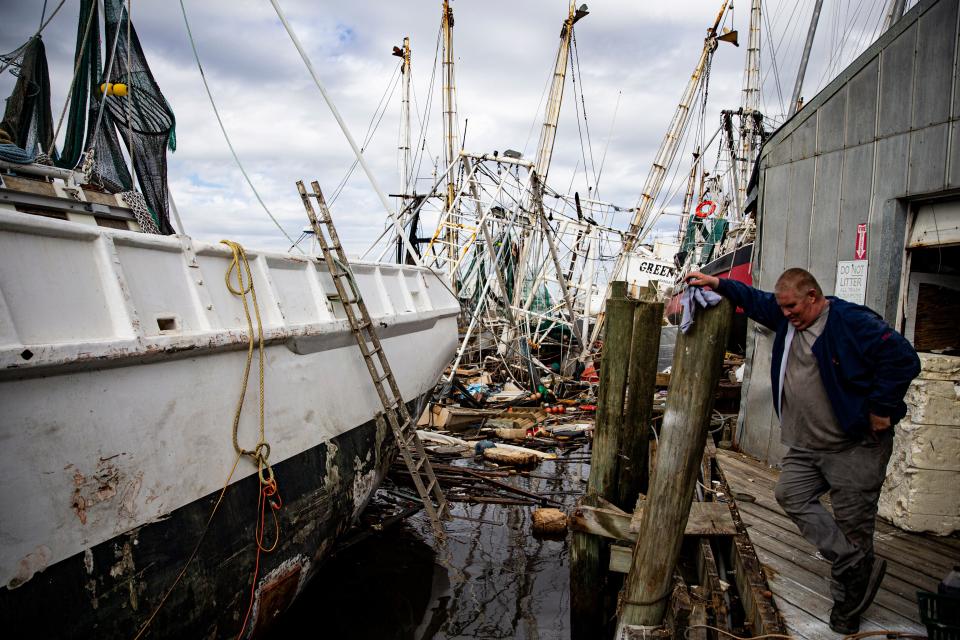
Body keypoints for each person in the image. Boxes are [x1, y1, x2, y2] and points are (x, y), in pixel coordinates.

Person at [686, 267, 920, 634]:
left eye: (793, 306)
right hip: (807, 446)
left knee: (853, 524)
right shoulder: (788, 316)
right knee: (790, 493)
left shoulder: (850, 322)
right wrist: (718, 283)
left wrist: (881, 408)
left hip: (852, 446)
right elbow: (755, 299)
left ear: (813, 296)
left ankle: (848, 607)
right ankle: (852, 561)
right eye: (783, 309)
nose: (787, 314)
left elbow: (904, 358)